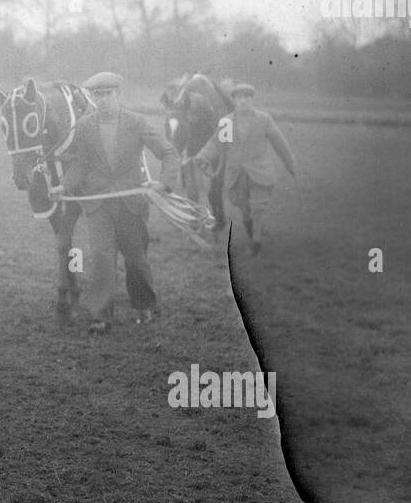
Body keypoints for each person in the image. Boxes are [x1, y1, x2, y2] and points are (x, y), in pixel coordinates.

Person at [61, 71, 181, 334]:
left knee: (136, 259)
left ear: (118, 95)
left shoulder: (136, 122)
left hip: (130, 203)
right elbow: (80, 164)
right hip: (98, 204)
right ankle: (101, 315)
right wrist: (63, 185)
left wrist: (163, 183)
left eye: (107, 95)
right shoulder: (84, 126)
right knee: (102, 257)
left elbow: (168, 152)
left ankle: (143, 304)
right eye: (97, 95)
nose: (102, 100)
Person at [194, 82, 297, 255]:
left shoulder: (264, 119)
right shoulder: (227, 122)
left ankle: (256, 242)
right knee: (244, 208)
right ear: (234, 100)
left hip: (260, 170)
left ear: (252, 99)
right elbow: (216, 144)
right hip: (237, 173)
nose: (243, 101)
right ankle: (253, 234)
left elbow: (279, 142)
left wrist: (290, 163)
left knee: (258, 206)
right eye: (240, 98)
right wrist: (203, 156)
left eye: (247, 98)